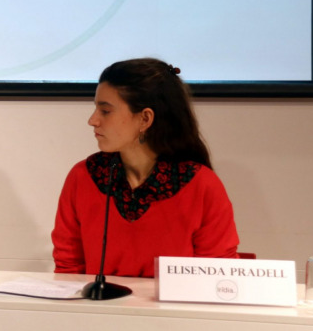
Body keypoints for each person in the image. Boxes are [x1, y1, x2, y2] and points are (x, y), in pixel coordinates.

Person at [51, 58, 239, 278]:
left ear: (145, 119)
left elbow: (217, 278)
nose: (92, 120)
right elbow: (68, 270)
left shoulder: (202, 185)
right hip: (97, 301)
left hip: (175, 302)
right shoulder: (83, 177)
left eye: (105, 111)